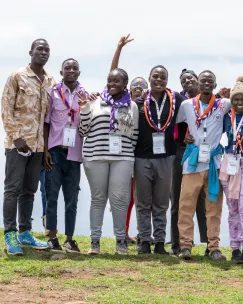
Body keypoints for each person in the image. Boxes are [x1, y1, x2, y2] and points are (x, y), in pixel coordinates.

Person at [176, 71, 243, 261]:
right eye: (203, 80)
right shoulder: (186, 105)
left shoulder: (223, 104)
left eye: (210, 81)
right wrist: (186, 137)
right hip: (192, 163)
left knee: (214, 208)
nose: (207, 83)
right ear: (198, 84)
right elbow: (177, 124)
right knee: (186, 206)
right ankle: (185, 246)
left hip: (215, 163)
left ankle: (213, 247)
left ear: (215, 85)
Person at [1, 38, 55, 255]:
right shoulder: (17, 76)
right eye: (39, 49)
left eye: (47, 50)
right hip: (17, 144)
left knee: (29, 191)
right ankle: (10, 235)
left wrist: (45, 148)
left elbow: (47, 117)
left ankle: (25, 233)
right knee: (12, 189)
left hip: (38, 146)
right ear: (30, 52)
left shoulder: (50, 80)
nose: (43, 52)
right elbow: (6, 108)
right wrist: (16, 138)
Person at [78, 68, 139, 255]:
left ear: (125, 83)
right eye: (109, 80)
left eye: (117, 81)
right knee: (98, 199)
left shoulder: (132, 106)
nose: (112, 84)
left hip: (123, 158)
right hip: (95, 156)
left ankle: (121, 241)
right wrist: (85, 109)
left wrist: (127, 154)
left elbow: (134, 135)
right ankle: (94, 242)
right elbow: (83, 130)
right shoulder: (95, 101)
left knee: (120, 199)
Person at [134, 65, 185, 255]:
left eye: (163, 77)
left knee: (161, 203)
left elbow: (195, 102)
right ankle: (145, 241)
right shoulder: (138, 102)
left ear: (167, 80)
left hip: (165, 157)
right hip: (141, 157)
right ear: (149, 78)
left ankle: (160, 242)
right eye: (155, 76)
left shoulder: (175, 100)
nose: (159, 80)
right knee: (143, 203)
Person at [43, 58, 91, 253]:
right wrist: (45, 150)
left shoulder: (84, 95)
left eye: (75, 68)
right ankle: (52, 237)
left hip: (74, 153)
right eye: (67, 68)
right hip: (55, 151)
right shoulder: (52, 93)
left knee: (72, 198)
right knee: (51, 196)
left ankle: (69, 239)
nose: (71, 71)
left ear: (79, 72)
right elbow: (46, 123)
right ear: (61, 72)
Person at [109, 34, 148, 243]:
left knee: (142, 198)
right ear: (128, 88)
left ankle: (144, 233)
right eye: (135, 85)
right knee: (125, 198)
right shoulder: (122, 102)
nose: (139, 88)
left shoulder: (151, 105)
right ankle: (121, 232)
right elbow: (113, 73)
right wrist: (119, 49)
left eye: (143, 85)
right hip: (123, 154)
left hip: (142, 157)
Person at [219, 76, 243, 264]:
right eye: (236, 99)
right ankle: (234, 247)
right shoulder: (226, 117)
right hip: (229, 164)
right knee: (232, 208)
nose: (240, 102)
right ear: (231, 100)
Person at [170, 69, 208, 256]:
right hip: (182, 152)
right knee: (178, 198)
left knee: (204, 198)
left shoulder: (210, 101)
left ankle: (210, 244)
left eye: (190, 78)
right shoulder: (179, 102)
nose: (187, 82)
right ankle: (178, 242)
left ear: (198, 81)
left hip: (204, 153)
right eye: (183, 80)